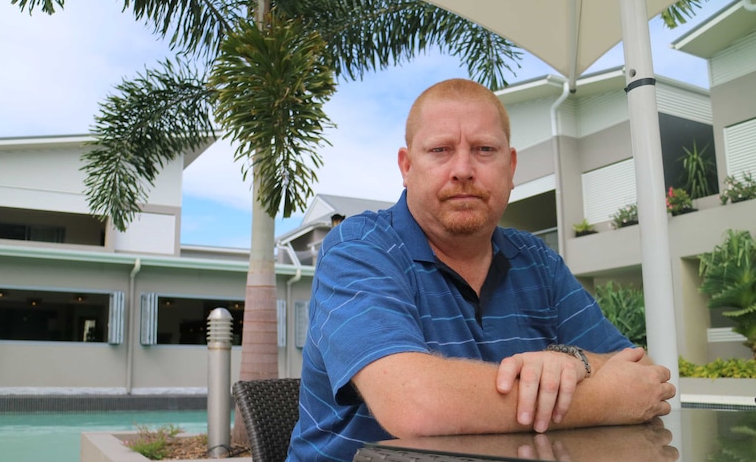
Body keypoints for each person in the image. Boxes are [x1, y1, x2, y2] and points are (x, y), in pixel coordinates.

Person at [285, 78, 676, 462]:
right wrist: (603, 399)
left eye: (484, 149)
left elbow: (642, 376)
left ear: (511, 166)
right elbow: (414, 404)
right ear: (406, 167)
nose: (463, 170)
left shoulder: (537, 261)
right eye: (440, 150)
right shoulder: (359, 248)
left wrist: (574, 360)